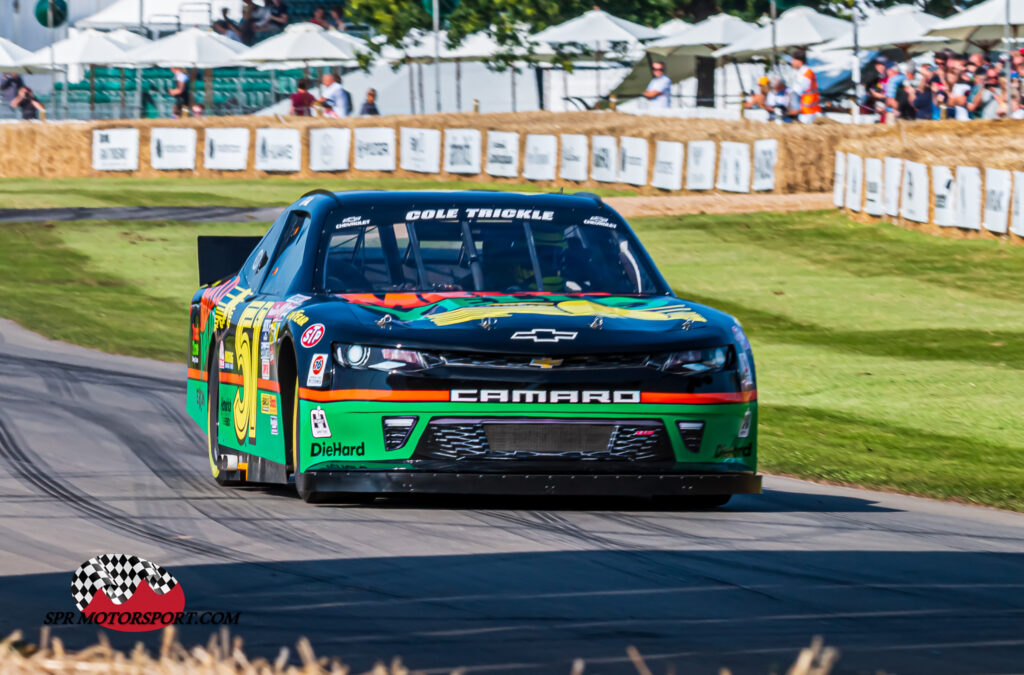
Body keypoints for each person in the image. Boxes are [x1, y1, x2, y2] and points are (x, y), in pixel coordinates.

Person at [789, 49, 820, 123]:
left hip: (807, 113)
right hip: (808, 111)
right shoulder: (805, 72)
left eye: (793, 60)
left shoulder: (805, 75)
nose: (791, 62)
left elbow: (796, 92)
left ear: (799, 61)